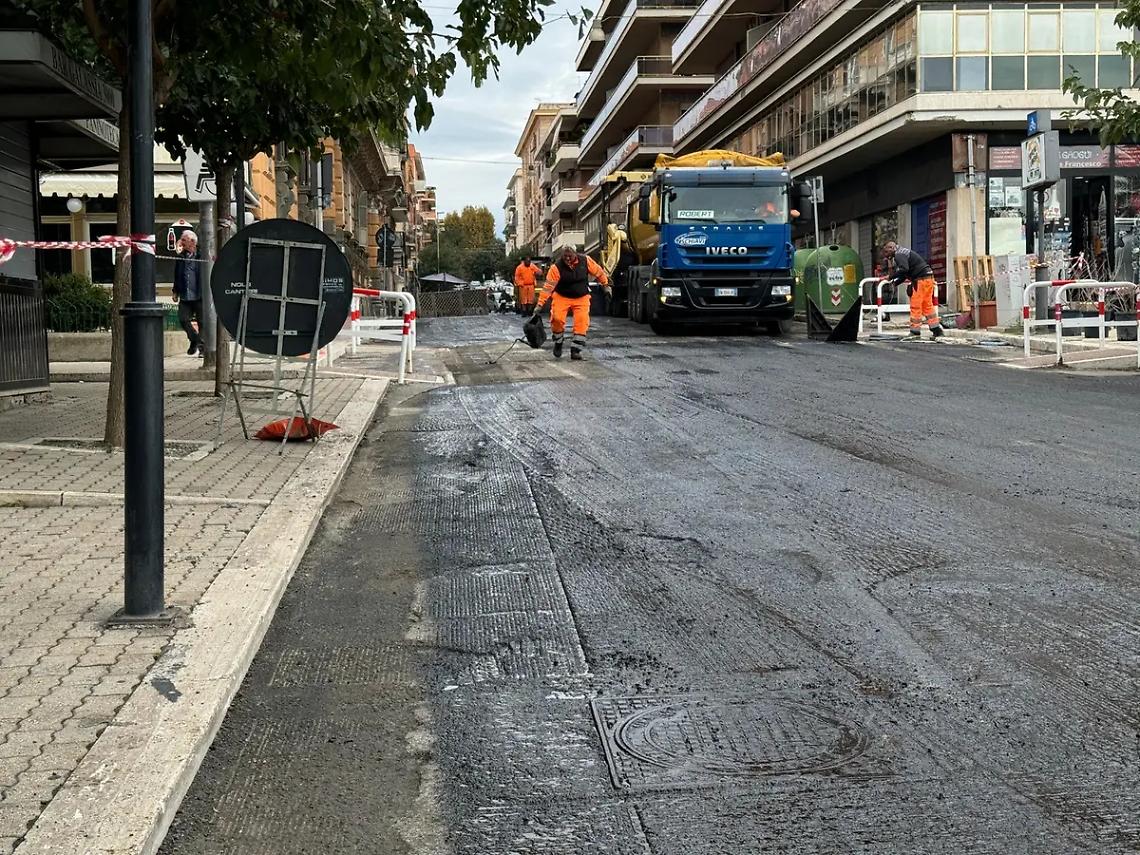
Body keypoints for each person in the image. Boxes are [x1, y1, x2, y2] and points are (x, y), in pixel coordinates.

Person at [534, 243, 610, 360]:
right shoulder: (556, 267)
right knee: (557, 319)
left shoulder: (586, 261)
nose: (567, 258)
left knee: (582, 321)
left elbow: (599, 272)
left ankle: (576, 350)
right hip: (562, 296)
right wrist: (539, 305)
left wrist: (605, 285)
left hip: (581, 297)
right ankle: (558, 342)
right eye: (565, 256)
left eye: (570, 256)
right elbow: (548, 287)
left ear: (575, 254)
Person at [883, 240, 943, 339]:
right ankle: (937, 330)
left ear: (892, 248)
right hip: (928, 279)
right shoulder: (903, 252)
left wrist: (890, 277)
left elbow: (904, 269)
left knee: (916, 306)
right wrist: (896, 282)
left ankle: (915, 332)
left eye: (886, 252)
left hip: (920, 280)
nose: (885, 255)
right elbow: (905, 273)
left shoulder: (899, 255)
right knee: (927, 305)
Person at [172, 230, 204, 356]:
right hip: (185, 295)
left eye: (183, 240)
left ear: (192, 242)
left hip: (200, 295)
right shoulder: (180, 257)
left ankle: (202, 349)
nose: (181, 242)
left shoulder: (202, 255)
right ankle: (195, 339)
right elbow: (177, 275)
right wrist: (175, 291)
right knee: (182, 319)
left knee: (202, 322)